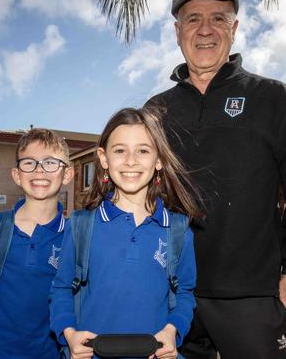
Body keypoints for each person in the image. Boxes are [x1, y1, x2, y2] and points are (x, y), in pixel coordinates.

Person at [145, 0, 286, 358]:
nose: (205, 29)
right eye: (193, 19)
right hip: (174, 294)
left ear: (235, 29)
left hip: (253, 294)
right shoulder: (156, 110)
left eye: (218, 19)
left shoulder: (274, 98)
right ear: (178, 32)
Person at [50, 107, 201, 359]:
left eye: (143, 150)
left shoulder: (177, 229)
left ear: (159, 160)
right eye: (120, 150)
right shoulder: (81, 225)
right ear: (104, 158)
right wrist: (69, 333)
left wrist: (172, 330)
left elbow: (185, 292)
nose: (131, 160)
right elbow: (62, 288)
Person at [0, 128, 74, 358]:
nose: (39, 170)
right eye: (29, 163)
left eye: (50, 162)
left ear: (67, 174)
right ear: (17, 175)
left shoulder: (75, 238)